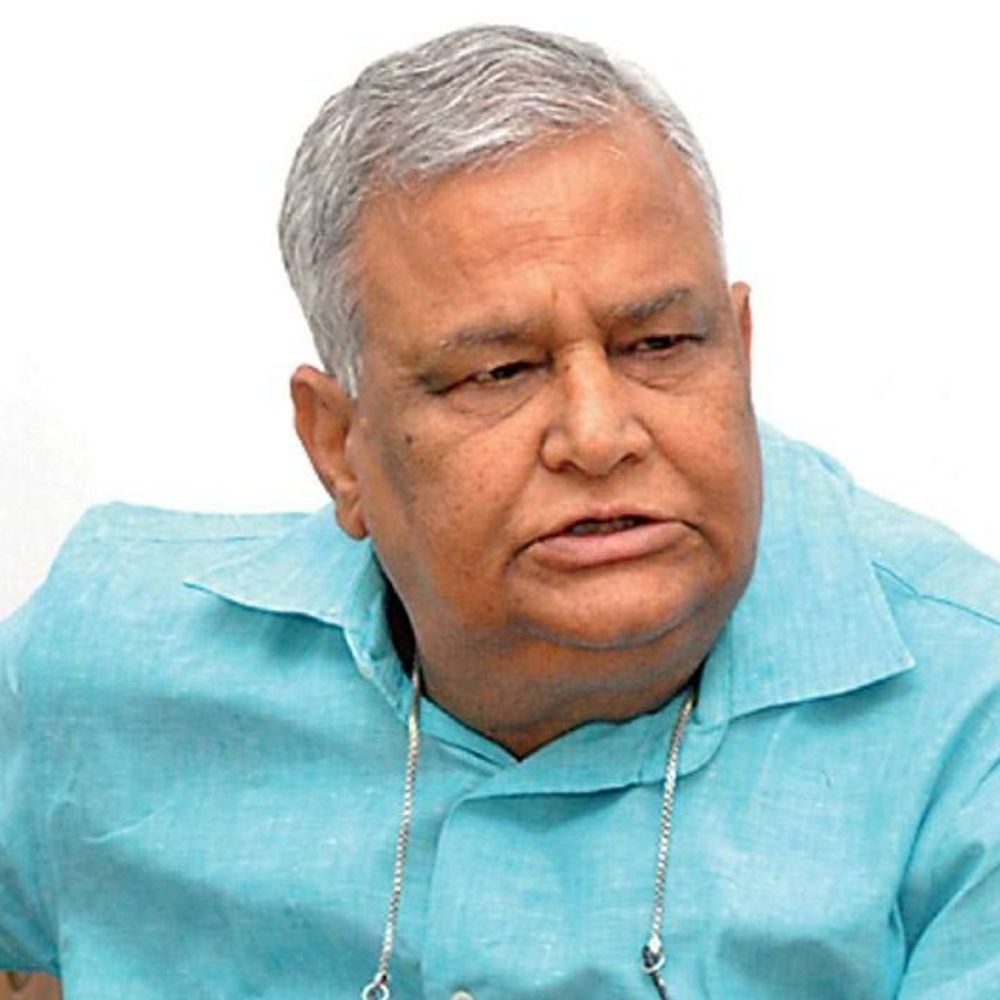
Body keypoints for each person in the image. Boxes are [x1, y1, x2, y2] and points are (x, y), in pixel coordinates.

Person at [1, 24, 997, 999]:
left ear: (738, 348)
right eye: (500, 371)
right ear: (338, 446)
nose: (599, 435)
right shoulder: (106, 660)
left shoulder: (967, 715)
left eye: (659, 345)